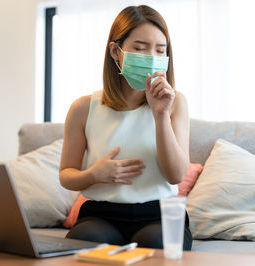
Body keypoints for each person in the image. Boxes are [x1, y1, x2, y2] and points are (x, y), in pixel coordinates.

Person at [59, 5, 192, 249]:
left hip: (158, 214)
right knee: (86, 242)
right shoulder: (83, 108)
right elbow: (66, 174)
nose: (151, 57)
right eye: (140, 48)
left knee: (155, 244)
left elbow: (176, 175)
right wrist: (93, 175)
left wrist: (160, 114)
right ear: (115, 51)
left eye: (160, 50)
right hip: (101, 215)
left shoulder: (175, 103)